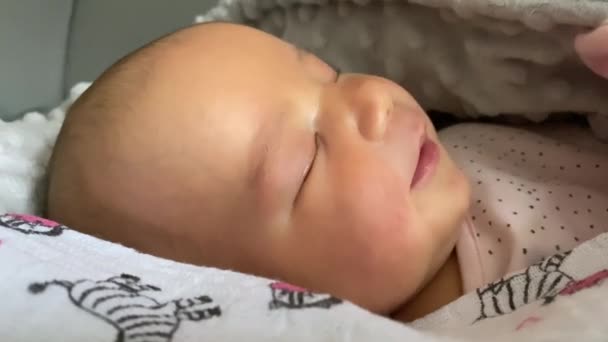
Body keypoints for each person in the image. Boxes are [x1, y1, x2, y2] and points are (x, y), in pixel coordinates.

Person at [45, 22, 608, 322]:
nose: (369, 100)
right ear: (267, 296)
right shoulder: (480, 326)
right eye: (308, 159)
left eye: (327, 74)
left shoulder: (465, 142)